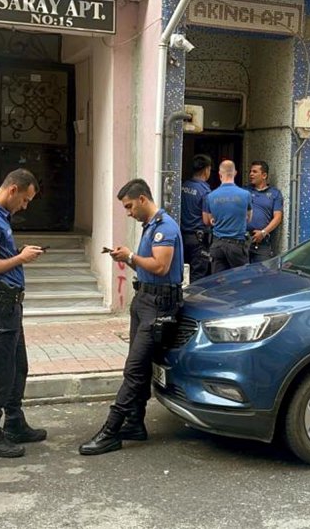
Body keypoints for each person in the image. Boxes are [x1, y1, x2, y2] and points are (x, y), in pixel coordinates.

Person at [79, 179, 184, 455]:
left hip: (159, 304)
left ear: (142, 199)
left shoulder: (164, 227)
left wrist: (131, 256)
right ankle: (135, 422)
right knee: (138, 366)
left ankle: (111, 430)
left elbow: (161, 267)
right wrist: (126, 258)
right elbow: (148, 267)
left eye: (129, 207)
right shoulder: (150, 226)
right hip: (144, 300)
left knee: (135, 370)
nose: (128, 212)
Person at [0, 169, 47, 458]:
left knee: (17, 366)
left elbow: (0, 257)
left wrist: (19, 253)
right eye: (25, 200)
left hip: (10, 304)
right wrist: (21, 258)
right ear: (13, 190)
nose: (24, 206)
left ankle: (14, 423)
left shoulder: (0, 216)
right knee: (0, 371)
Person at [204, 160, 252, 274]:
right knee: (241, 279)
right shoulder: (246, 194)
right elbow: (248, 219)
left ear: (220, 174)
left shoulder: (210, 196)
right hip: (237, 246)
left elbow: (207, 221)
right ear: (235, 173)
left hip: (218, 245)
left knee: (218, 280)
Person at [180, 154, 213, 282]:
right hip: (198, 240)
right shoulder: (205, 191)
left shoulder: (183, 185)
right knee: (197, 276)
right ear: (206, 170)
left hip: (182, 236)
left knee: (182, 273)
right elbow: (206, 220)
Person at [245, 160, 284, 263]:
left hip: (262, 242)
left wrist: (263, 233)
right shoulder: (245, 191)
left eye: (254, 172)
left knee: (262, 270)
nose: (251, 174)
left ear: (264, 175)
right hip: (242, 240)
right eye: (250, 171)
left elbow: (278, 217)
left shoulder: (275, 193)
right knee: (241, 271)